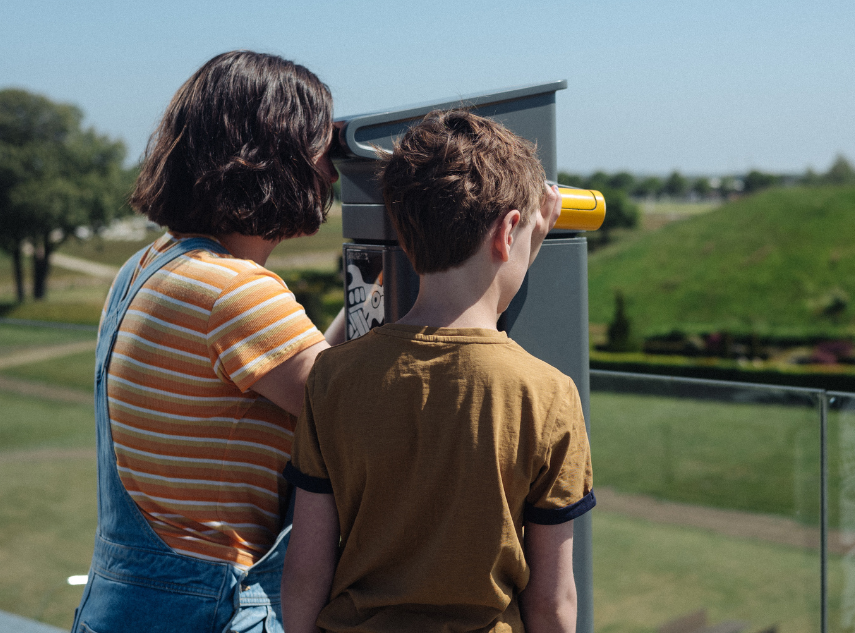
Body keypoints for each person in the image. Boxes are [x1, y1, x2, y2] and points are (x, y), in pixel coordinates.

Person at [281, 110, 593, 633]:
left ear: (404, 237)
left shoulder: (332, 379)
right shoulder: (548, 395)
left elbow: (305, 571)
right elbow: (553, 600)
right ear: (510, 229)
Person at [73, 50, 344, 633]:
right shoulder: (236, 292)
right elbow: (365, 419)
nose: (333, 171)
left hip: (122, 606)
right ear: (276, 156)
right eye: (323, 148)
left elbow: (309, 377)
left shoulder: (147, 267)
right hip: (208, 610)